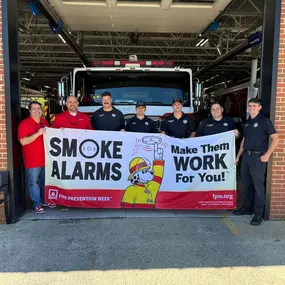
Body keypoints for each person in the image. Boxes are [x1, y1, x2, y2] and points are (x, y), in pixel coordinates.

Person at [233, 98, 279, 226]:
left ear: (259, 107)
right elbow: (244, 140)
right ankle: (247, 208)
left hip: (258, 157)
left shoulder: (265, 121)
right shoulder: (247, 123)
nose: (251, 108)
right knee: (246, 184)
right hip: (246, 157)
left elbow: (276, 138)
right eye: (250, 106)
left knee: (258, 186)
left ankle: (259, 213)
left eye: (254, 106)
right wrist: (238, 156)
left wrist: (267, 155)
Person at [52, 95, 93, 211]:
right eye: (70, 102)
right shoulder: (59, 118)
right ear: (66, 104)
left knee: (81, 177)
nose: (72, 104)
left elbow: (92, 134)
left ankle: (82, 201)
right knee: (67, 178)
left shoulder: (84, 118)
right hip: (66, 154)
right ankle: (65, 202)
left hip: (82, 154)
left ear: (78, 104)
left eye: (75, 102)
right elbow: (52, 135)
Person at [18, 101, 56, 214]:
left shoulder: (44, 122)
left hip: (46, 159)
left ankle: (45, 200)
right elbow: (23, 141)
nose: (36, 110)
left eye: (38, 108)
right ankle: (37, 204)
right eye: (33, 108)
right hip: (32, 159)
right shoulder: (24, 124)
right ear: (29, 111)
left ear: (41, 110)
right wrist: (38, 133)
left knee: (45, 181)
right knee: (33, 182)